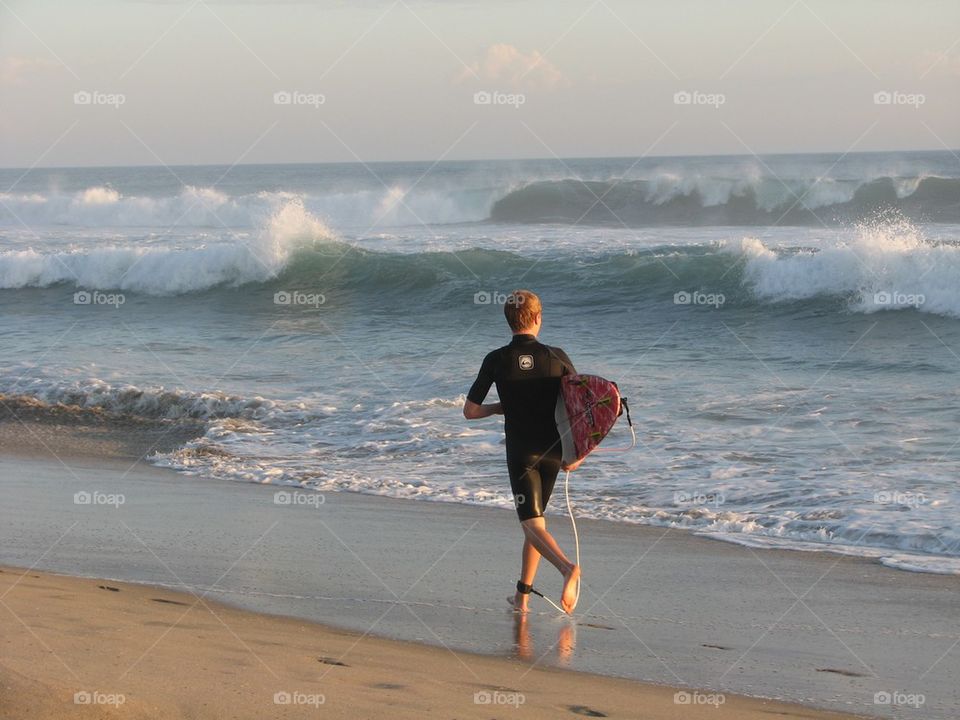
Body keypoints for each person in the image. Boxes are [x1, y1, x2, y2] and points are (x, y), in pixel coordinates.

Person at [463, 289, 581, 614]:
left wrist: (500, 408)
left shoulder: (496, 360)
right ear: (538, 318)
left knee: (530, 524)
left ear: (508, 321)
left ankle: (567, 568)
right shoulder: (557, 357)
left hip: (522, 453)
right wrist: (579, 453)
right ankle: (522, 597)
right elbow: (582, 407)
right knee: (536, 522)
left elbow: (470, 412)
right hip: (554, 452)